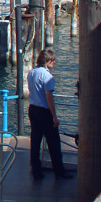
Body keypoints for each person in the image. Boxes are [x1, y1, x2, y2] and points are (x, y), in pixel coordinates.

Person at [28, 49, 71, 179]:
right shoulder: (48, 77)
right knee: (53, 142)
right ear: (48, 62)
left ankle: (36, 170)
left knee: (35, 141)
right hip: (44, 111)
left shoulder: (32, 73)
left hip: (33, 108)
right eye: (53, 61)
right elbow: (49, 97)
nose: (54, 63)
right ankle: (59, 171)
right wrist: (54, 116)